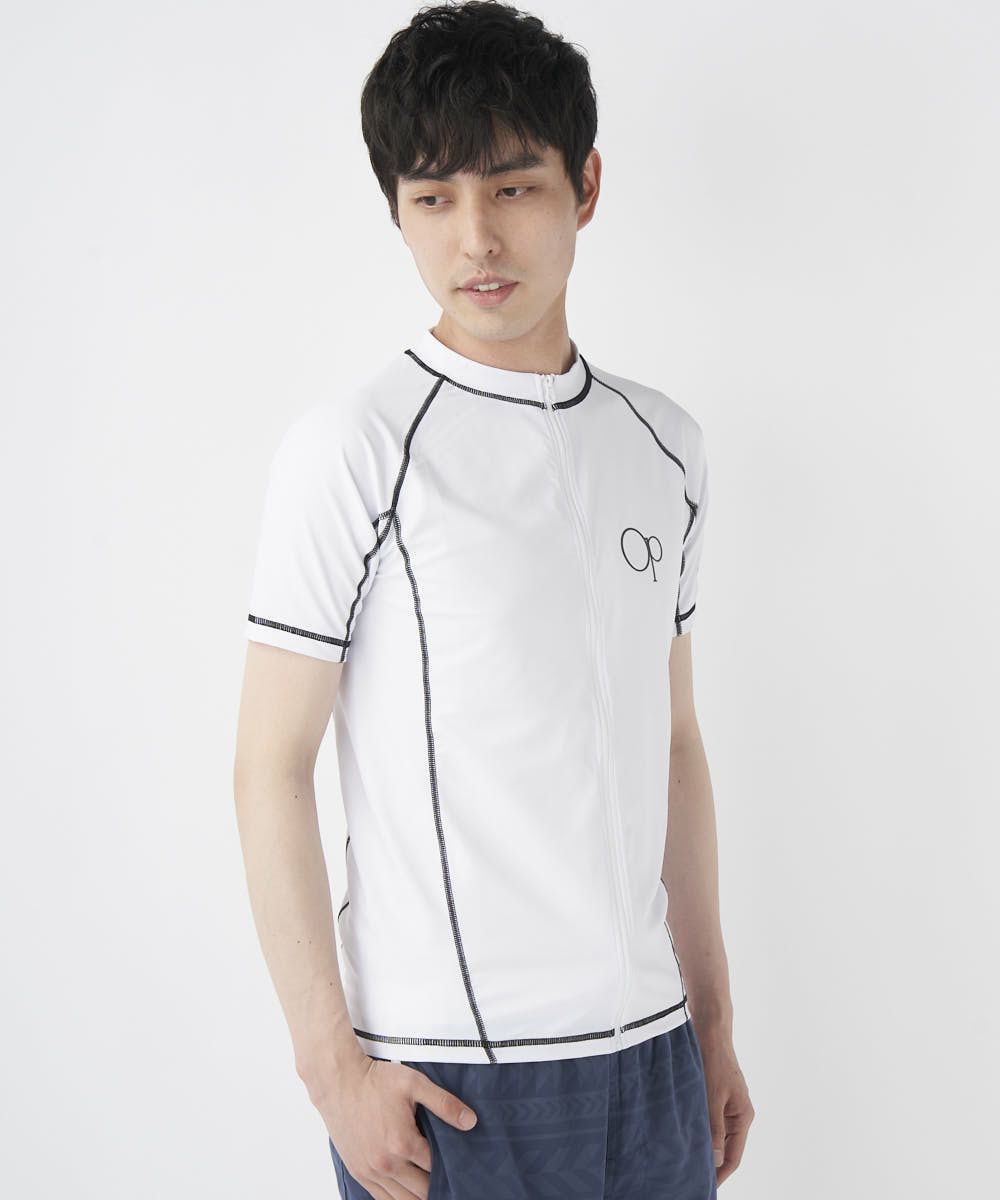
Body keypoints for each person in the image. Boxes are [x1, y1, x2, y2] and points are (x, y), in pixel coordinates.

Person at [233, 2, 754, 1196]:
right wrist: (331, 1071)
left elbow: (673, 743)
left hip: (654, 1059)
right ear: (398, 211)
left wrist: (712, 1026)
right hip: (453, 1081)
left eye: (514, 188)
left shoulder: (664, 447)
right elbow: (268, 766)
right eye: (432, 199)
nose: (475, 238)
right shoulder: (355, 448)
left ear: (585, 186)